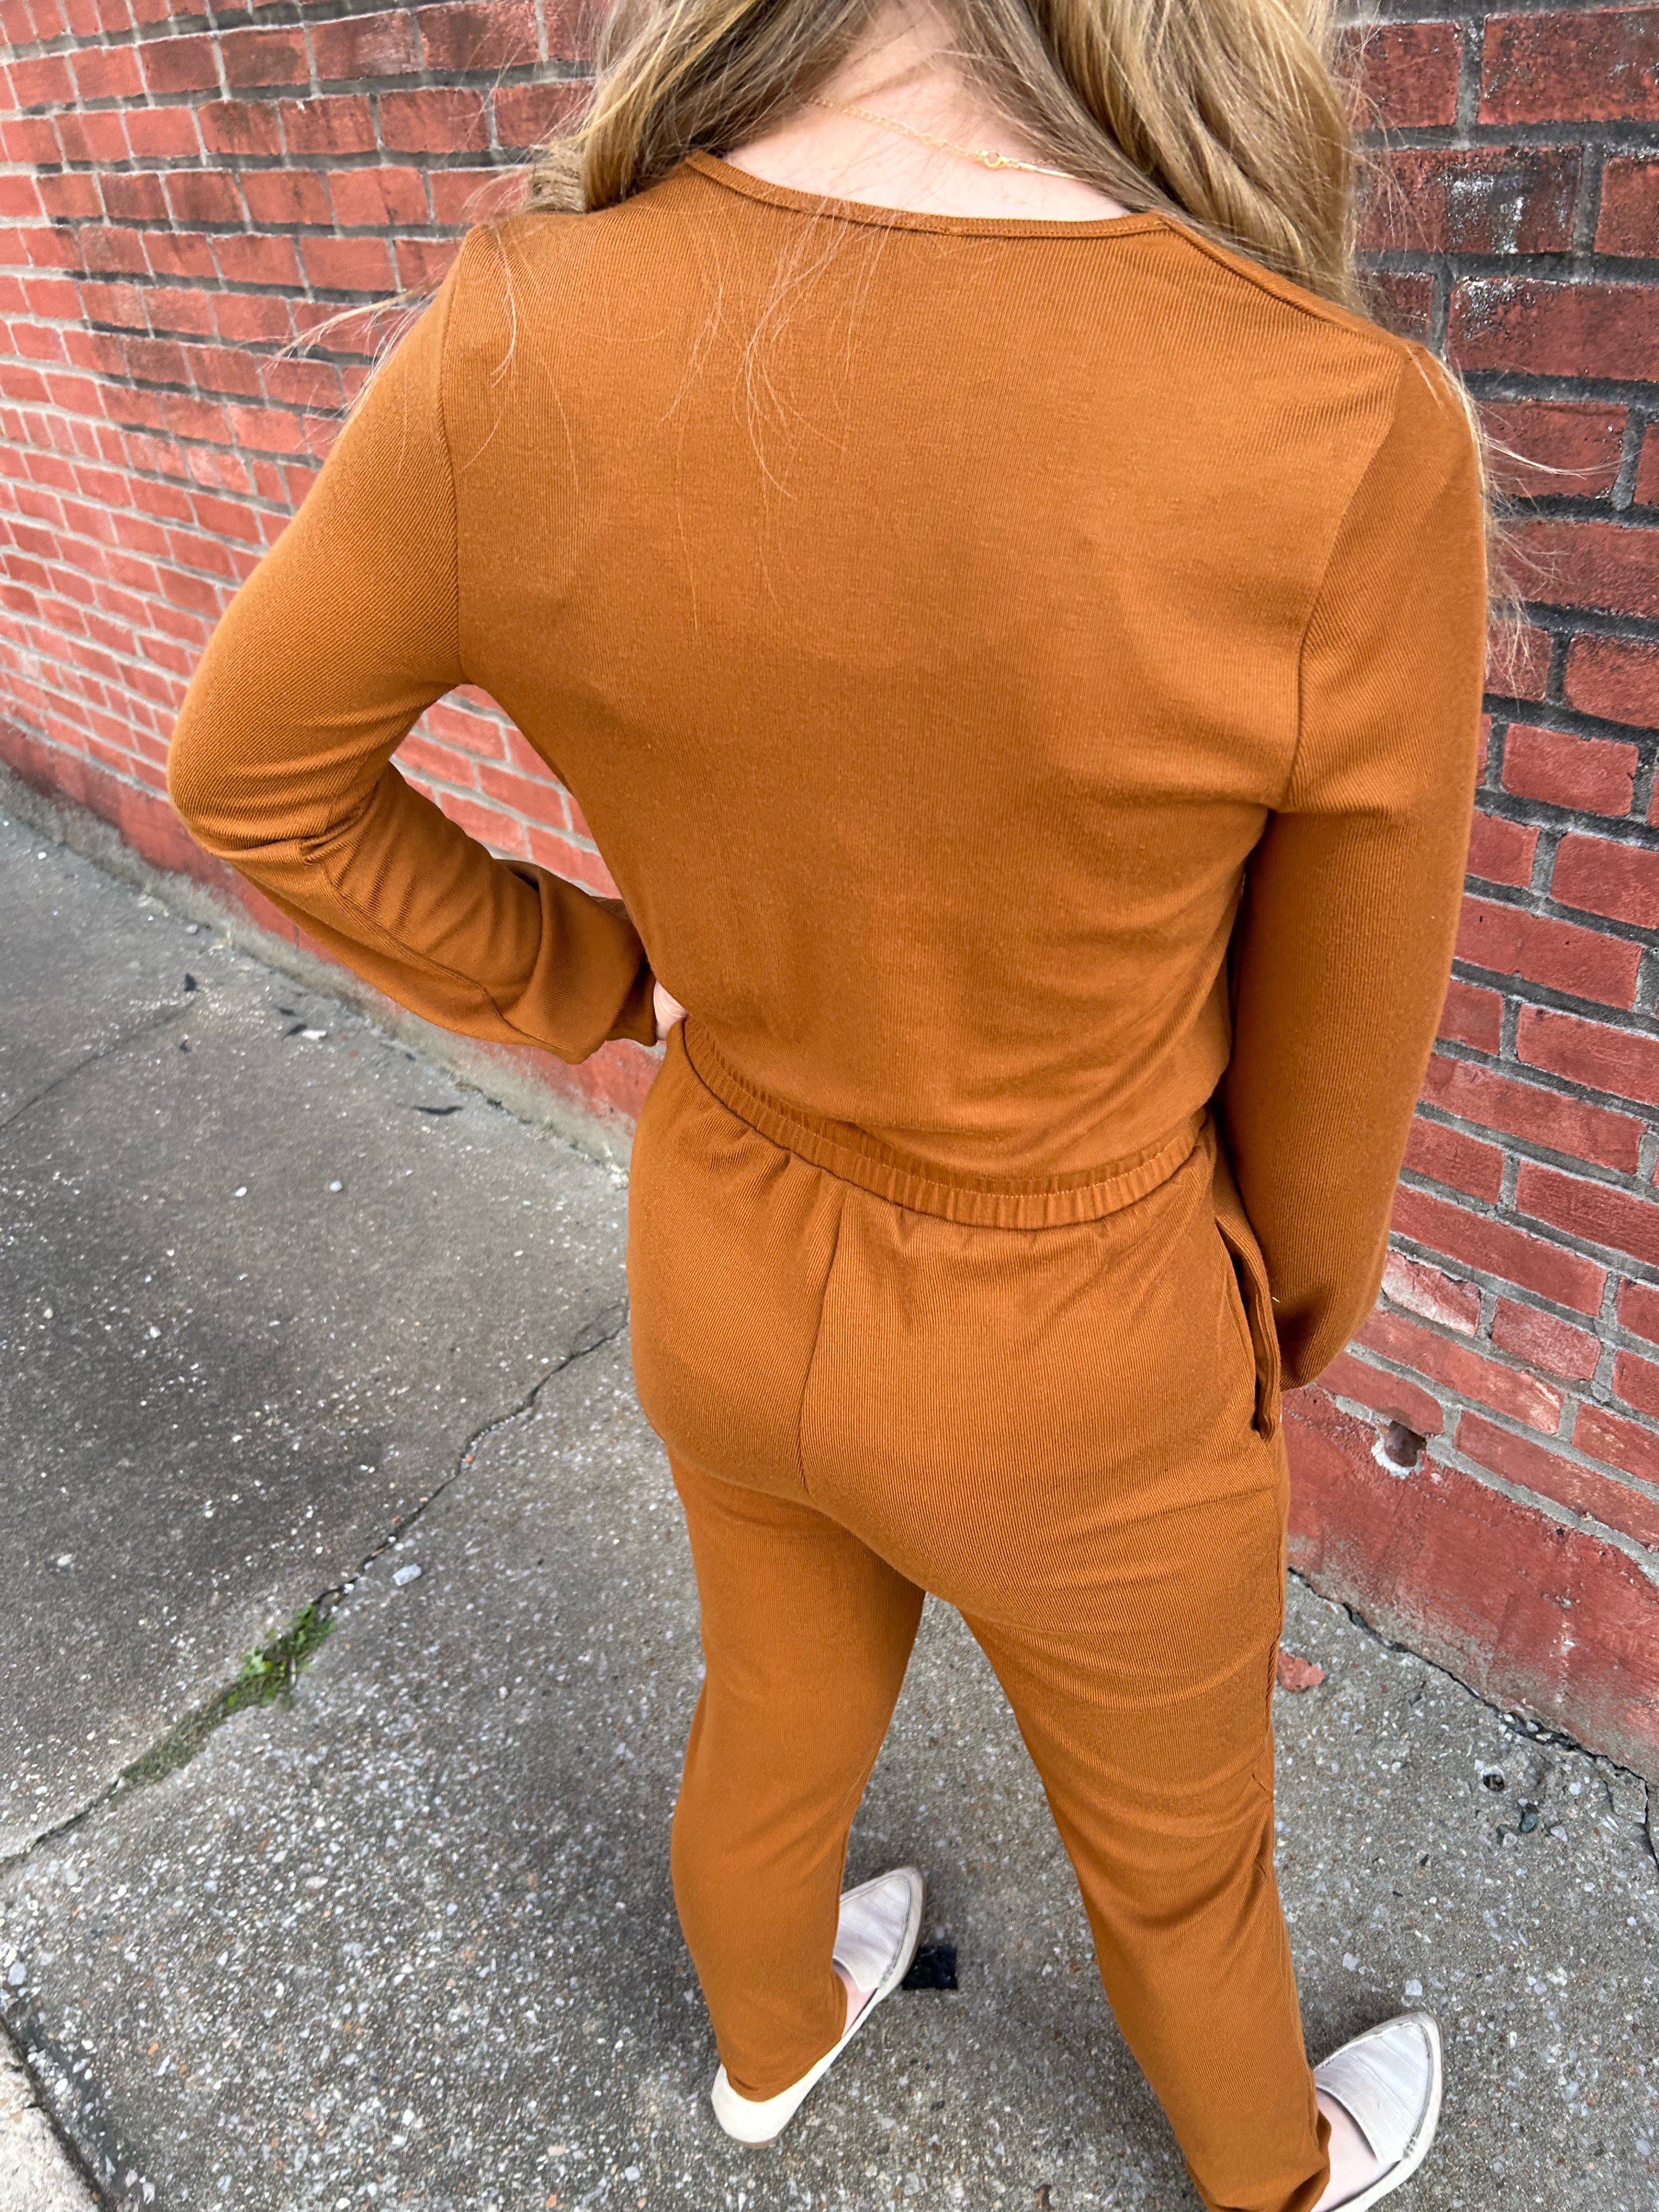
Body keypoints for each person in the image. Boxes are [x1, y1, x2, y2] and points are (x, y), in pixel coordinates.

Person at [166, 2, 1489, 2205]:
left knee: (771, 1719)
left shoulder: (522, 328)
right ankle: (1276, 2174)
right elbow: (1332, 1120)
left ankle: (770, 2049)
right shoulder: (1337, 436)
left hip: (722, 1244)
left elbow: (250, 780)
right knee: (1178, 1865)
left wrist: (604, 978)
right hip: (1087, 1354)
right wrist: (1251, 1354)